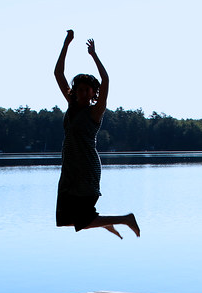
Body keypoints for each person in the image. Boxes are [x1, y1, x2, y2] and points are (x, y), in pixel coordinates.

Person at [53, 30, 140, 239]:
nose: (83, 92)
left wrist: (94, 55)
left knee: (83, 218)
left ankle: (125, 218)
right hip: (69, 169)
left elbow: (106, 80)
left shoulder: (94, 112)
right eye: (80, 89)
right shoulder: (72, 106)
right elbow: (58, 74)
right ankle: (105, 222)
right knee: (65, 219)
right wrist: (66, 44)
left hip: (85, 169)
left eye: (87, 89)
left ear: (93, 93)